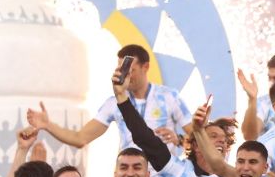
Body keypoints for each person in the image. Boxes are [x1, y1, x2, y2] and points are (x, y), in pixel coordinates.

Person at [27, 44, 192, 156]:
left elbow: (199, 138)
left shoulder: (169, 97)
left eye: (131, 70)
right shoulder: (114, 103)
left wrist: (179, 140)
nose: (125, 75)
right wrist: (48, 126)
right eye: (122, 69)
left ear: (146, 67)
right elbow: (80, 138)